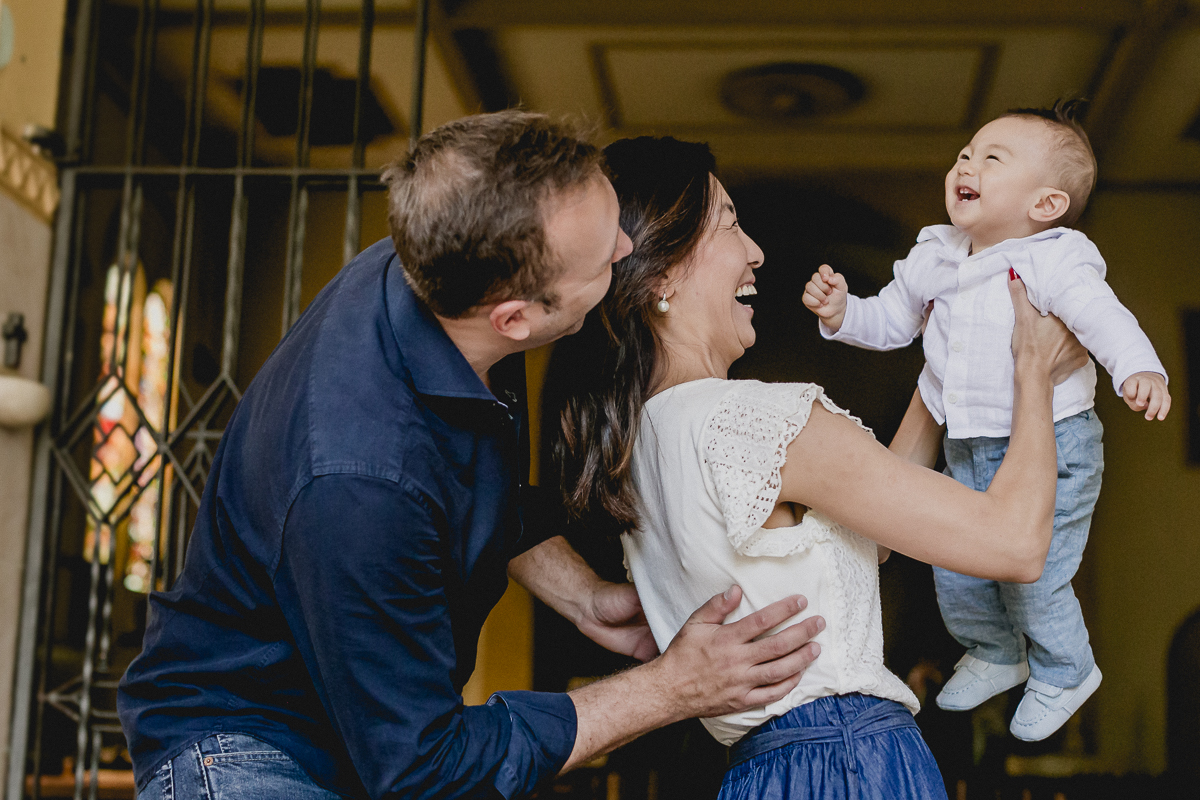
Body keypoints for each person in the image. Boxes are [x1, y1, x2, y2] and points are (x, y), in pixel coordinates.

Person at [116, 111, 827, 800]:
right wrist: (674, 688)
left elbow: (463, 488)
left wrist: (582, 596)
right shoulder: (358, 483)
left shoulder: (453, 268)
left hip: (363, 739)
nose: (624, 248)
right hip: (249, 750)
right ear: (515, 317)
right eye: (603, 250)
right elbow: (427, 767)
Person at [552, 135, 1089, 800]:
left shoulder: (642, 443)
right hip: (849, 763)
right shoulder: (759, 423)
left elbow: (879, 522)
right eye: (727, 223)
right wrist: (1032, 367)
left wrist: (938, 371)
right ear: (662, 273)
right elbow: (1014, 540)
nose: (755, 251)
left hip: (764, 773)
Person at [803, 101, 1170, 741]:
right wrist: (841, 315)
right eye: (965, 154)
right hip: (966, 443)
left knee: (1037, 575)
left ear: (1046, 205)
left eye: (991, 159)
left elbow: (1104, 319)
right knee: (957, 565)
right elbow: (891, 323)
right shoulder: (936, 254)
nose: (966, 164)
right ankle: (998, 653)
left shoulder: (1057, 258)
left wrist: (1139, 369)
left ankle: (1067, 667)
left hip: (1056, 442)